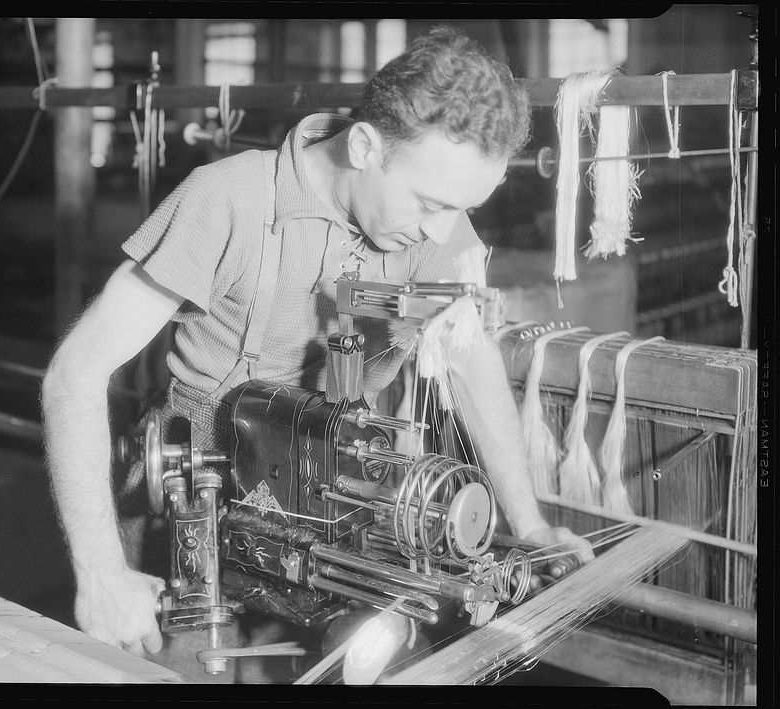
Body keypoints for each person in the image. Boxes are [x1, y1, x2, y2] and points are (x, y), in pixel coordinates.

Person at [41, 24, 595, 682]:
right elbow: (73, 376)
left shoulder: (429, 225)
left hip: (339, 487)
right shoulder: (227, 200)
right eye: (429, 204)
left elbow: (468, 358)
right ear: (364, 146)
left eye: (461, 209)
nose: (441, 231)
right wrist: (103, 574)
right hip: (201, 489)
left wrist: (530, 527)